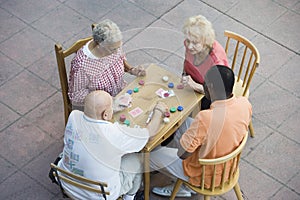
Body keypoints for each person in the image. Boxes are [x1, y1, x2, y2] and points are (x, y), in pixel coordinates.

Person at [150, 65, 252, 197]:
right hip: (228, 166)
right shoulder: (245, 104)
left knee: (151, 156)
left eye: (204, 84)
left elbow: (182, 154)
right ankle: (178, 175)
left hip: (204, 175)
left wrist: (186, 141)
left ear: (210, 88)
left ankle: (186, 186)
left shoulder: (205, 118)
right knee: (185, 124)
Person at [57, 90, 168, 200]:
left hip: (67, 183)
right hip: (99, 195)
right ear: (105, 114)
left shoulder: (74, 116)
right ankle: (130, 197)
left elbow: (92, 115)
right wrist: (159, 110)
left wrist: (111, 108)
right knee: (138, 157)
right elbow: (149, 134)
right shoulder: (114, 134)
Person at [68, 19, 146, 108]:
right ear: (98, 44)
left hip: (120, 93)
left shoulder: (112, 46)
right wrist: (106, 100)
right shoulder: (82, 66)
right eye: (113, 49)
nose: (117, 51)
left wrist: (132, 70)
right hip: (99, 106)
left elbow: (120, 59)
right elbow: (76, 96)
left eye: (119, 47)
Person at [181, 15, 229, 110]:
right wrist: (184, 74)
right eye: (188, 41)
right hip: (190, 81)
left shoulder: (217, 61)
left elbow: (218, 93)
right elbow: (186, 61)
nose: (189, 46)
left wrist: (195, 86)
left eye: (195, 43)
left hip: (209, 92)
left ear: (205, 42)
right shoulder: (190, 46)